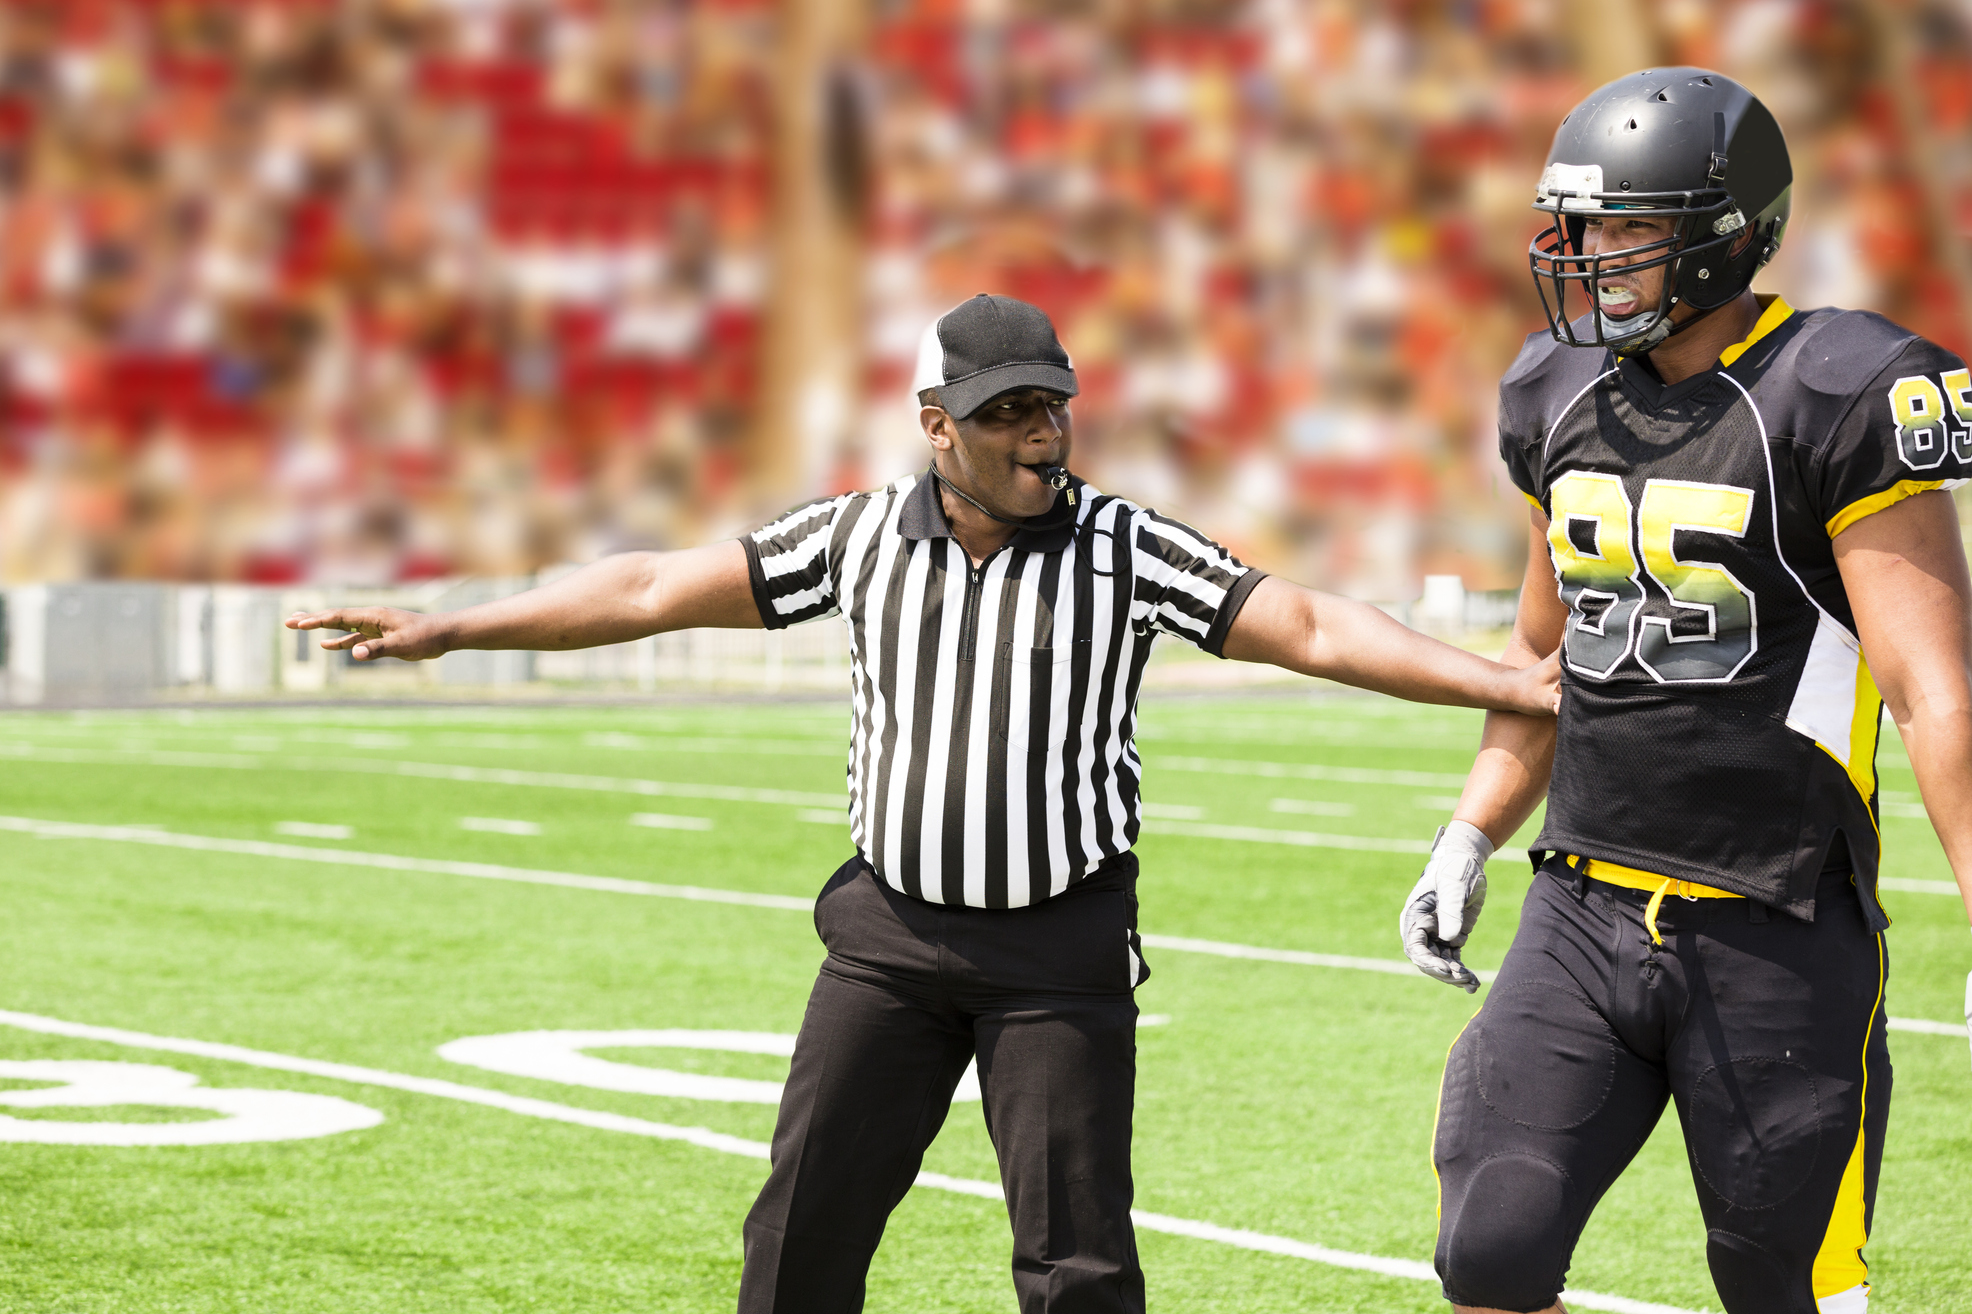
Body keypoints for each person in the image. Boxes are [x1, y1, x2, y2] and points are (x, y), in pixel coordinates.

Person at [290, 290, 1559, 1314]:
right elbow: (644, 589)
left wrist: (1501, 681)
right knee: (801, 1230)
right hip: (887, 942)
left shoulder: (1124, 546)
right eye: (1007, 412)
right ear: (935, 424)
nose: (1041, 435)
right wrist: (451, 625)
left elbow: (1309, 624)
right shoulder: (853, 537)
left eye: (1051, 406)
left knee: (1077, 1266)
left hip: (1056, 951)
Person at [1401, 68, 1972, 1314]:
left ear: (1723, 232)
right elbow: (1546, 667)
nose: (1588, 255)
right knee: (1489, 1249)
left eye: (1626, 226)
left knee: (1784, 1286)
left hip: (1776, 921)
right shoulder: (1553, 389)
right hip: (1581, 904)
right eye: (1581, 224)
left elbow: (1931, 691)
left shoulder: (1837, 387)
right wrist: (1470, 829)